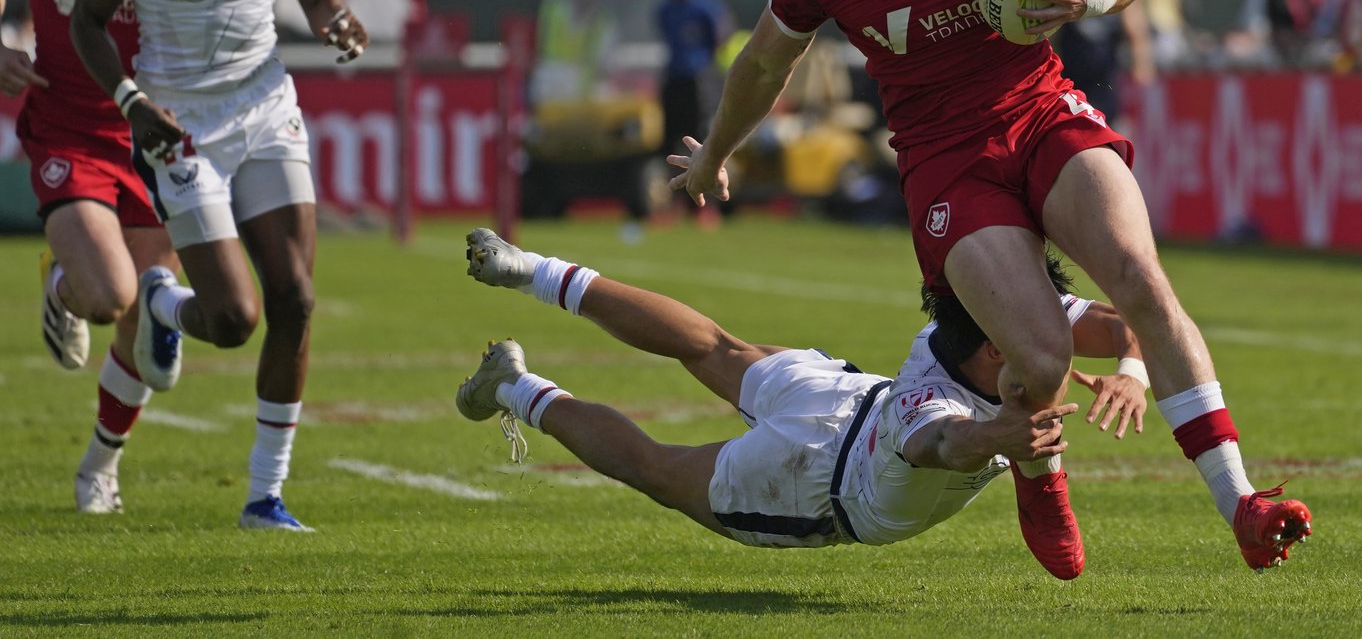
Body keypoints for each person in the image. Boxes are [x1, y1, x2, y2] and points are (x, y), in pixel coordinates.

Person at [667, 0, 1311, 571]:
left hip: (1041, 112)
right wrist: (715, 158)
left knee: (1141, 281)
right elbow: (765, 65)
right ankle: (1040, 473)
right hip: (945, 163)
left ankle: (1241, 501)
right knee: (1041, 360)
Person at [457, 228, 1188, 578]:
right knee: (656, 465)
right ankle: (512, 385)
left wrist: (1131, 369)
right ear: (997, 348)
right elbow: (940, 445)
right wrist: (1001, 433)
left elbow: (1134, 324)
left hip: (842, 394)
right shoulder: (933, 402)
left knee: (713, 345)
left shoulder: (994, 313)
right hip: (813, 480)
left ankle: (537, 271)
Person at [69, 0, 370, 531]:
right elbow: (87, 22)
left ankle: (265, 495)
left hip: (267, 108)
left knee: (296, 298)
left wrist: (336, 20)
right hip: (180, 124)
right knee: (235, 320)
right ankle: (165, 305)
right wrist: (132, 103)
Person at [0, 0, 179, 514]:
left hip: (162, 139)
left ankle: (100, 465)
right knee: (111, 295)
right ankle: (65, 284)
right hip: (70, 127)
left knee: (151, 328)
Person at [656, 0, 729, 159]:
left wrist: (705, 62)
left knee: (699, 131)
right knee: (670, 133)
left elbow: (720, 36)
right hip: (674, 76)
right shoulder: (666, 7)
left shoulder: (705, 7)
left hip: (699, 78)